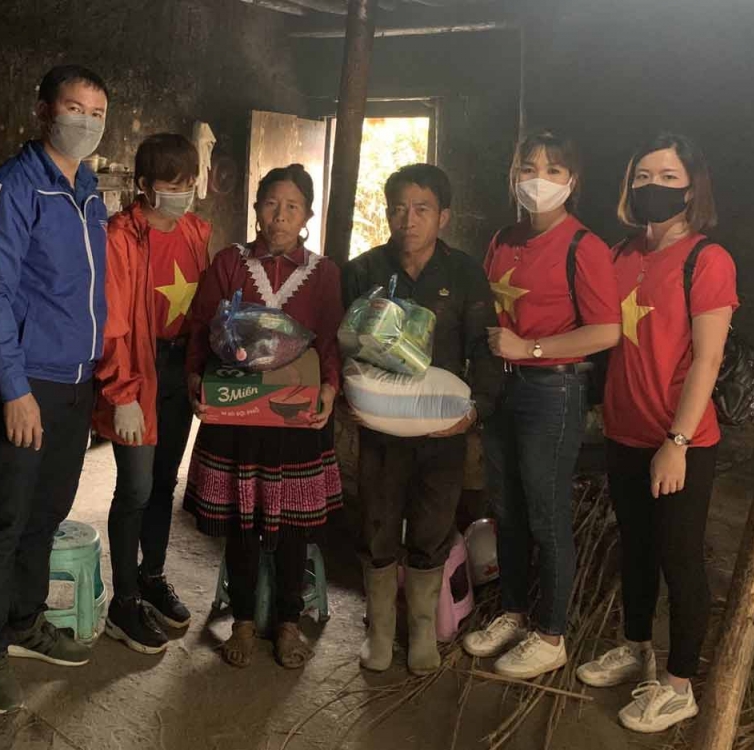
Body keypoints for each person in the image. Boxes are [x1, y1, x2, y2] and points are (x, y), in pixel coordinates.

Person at [0, 65, 109, 714]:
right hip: (29, 385)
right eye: (74, 108)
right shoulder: (10, 189)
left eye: (97, 113)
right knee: (4, 521)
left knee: (46, 514)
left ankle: (24, 620)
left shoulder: (89, 192)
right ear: (44, 111)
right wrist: (14, 390)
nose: (86, 122)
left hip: (77, 383)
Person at [577, 134, 737, 734]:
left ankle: (678, 685)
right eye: (643, 176)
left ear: (692, 188)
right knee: (636, 547)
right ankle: (637, 646)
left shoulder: (706, 260)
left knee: (680, 556)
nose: (653, 187)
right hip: (625, 430)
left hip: (680, 439)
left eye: (668, 177)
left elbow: (708, 359)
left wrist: (678, 442)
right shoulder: (619, 255)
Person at [463, 131, 622, 679]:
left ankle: (552, 634)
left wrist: (529, 349)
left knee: (545, 512)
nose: (539, 179)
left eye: (553, 170)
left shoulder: (584, 246)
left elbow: (605, 331)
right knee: (505, 507)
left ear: (572, 181)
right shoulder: (503, 239)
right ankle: (512, 613)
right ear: (514, 176)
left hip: (552, 389)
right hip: (503, 387)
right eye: (528, 167)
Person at [342, 164, 502, 676]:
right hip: (381, 429)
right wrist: (347, 396)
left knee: (433, 527)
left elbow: (485, 349)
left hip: (441, 429)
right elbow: (341, 343)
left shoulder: (464, 274)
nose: (407, 220)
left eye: (421, 209)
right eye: (398, 209)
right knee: (377, 523)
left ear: (443, 216)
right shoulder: (364, 271)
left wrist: (475, 411)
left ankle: (422, 633)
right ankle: (379, 633)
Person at [184, 164, 344, 669]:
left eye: (292, 207)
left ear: (307, 216)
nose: (280, 216)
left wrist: (329, 389)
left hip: (294, 417)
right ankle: (244, 622)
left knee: (293, 524)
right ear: (256, 209)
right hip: (237, 415)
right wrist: (195, 381)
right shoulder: (230, 263)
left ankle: (289, 622)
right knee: (241, 521)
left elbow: (330, 341)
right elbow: (201, 328)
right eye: (271, 204)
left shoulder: (323, 273)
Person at [93, 134, 212, 654]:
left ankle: (152, 576)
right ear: (143, 185)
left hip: (177, 368)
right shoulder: (120, 237)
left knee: (165, 481)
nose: (183, 194)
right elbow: (111, 323)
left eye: (189, 183)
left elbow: (202, 309)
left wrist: (199, 369)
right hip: (137, 370)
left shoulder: (195, 231)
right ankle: (123, 603)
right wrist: (121, 393)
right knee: (136, 487)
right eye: (172, 184)